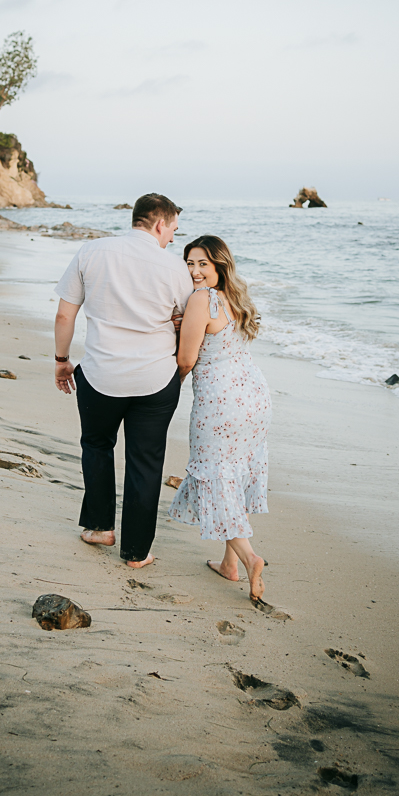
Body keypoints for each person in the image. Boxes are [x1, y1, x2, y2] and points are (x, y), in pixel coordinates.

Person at [53, 194, 192, 568]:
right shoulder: (175, 268)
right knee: (145, 461)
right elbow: (186, 323)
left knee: (97, 446)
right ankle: (136, 552)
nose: (173, 239)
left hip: (101, 374)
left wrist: (62, 361)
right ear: (160, 224)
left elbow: (65, 316)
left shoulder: (91, 252)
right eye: (173, 230)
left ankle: (99, 528)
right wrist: (181, 369)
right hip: (156, 378)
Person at [168, 235, 272, 601]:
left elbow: (186, 359)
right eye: (190, 264)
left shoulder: (202, 300)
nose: (195, 272)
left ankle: (249, 557)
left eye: (203, 265)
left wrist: (166, 390)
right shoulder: (237, 298)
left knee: (214, 474)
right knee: (237, 472)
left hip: (221, 405)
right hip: (255, 399)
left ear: (219, 266)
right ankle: (228, 565)